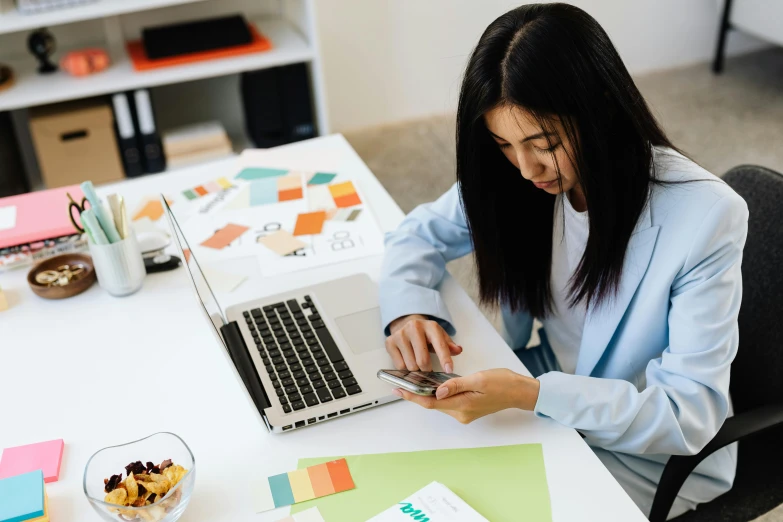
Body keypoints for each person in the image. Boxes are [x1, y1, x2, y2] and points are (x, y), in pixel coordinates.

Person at [378, 3, 748, 519]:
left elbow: (687, 415)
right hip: (543, 385)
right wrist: (408, 311)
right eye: (504, 144)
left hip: (644, 451)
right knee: (404, 454)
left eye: (543, 143)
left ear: (599, 108)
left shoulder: (705, 216)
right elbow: (417, 235)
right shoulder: (520, 176)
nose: (526, 167)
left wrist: (533, 396)